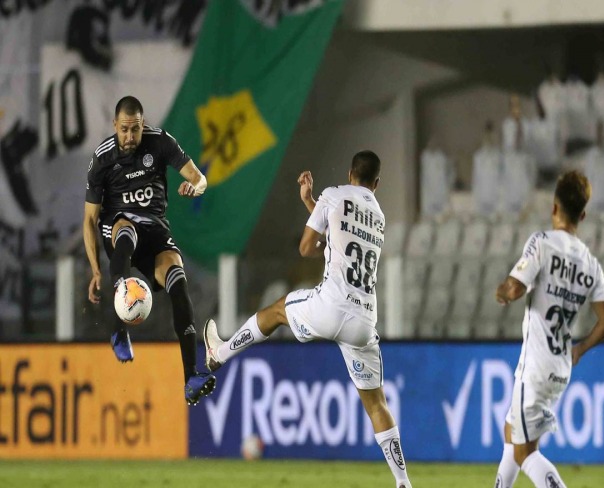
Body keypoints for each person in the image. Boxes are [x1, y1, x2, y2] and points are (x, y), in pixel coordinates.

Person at [204, 151, 413, 488]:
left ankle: (219, 353)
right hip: (363, 321)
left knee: (275, 311)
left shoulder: (333, 194)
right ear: (376, 183)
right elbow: (341, 236)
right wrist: (312, 203)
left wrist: (313, 202)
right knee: (377, 403)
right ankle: (403, 482)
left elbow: (306, 247)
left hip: (331, 306)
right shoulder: (378, 214)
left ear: (349, 173)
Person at [83, 96, 216, 406]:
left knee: (178, 283)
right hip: (117, 228)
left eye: (136, 129)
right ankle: (119, 326)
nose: (130, 137)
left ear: (144, 125)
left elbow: (200, 178)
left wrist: (195, 187)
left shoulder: (160, 142)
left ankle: (190, 377)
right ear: (115, 126)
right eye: (125, 130)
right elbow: (89, 220)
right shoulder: (103, 158)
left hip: (155, 229)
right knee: (126, 230)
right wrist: (96, 270)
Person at [492, 170, 604, 488]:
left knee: (525, 453)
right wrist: (579, 349)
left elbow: (516, 289)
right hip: (560, 364)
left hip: (536, 364)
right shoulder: (591, 264)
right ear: (583, 214)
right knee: (511, 430)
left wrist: (503, 290)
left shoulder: (542, 243)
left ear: (554, 207)